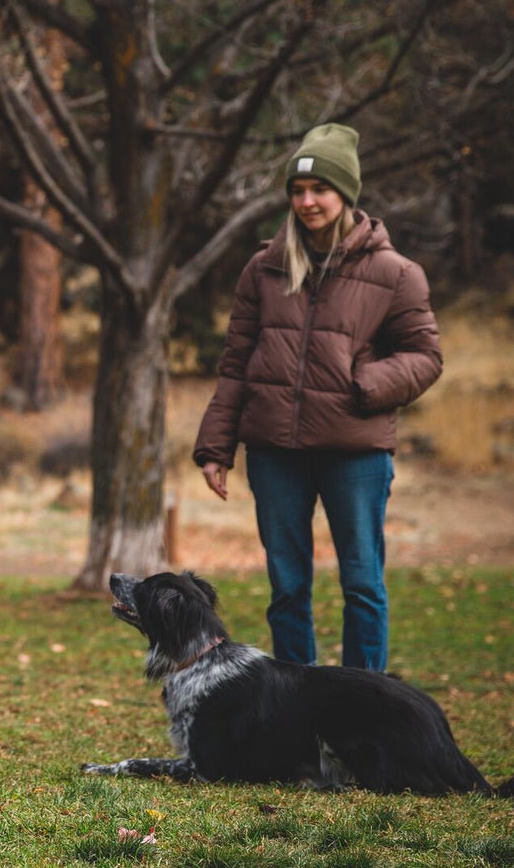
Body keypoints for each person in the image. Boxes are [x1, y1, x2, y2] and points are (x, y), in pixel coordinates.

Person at [192, 123, 442, 672]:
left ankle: (365, 712)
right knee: (286, 588)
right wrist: (216, 447)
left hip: (355, 454)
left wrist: (366, 385)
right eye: (297, 191)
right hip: (275, 454)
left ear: (346, 194)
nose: (307, 202)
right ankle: (296, 712)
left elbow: (426, 356)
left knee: (362, 585)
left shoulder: (395, 274)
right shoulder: (264, 268)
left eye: (319, 190)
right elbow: (235, 364)